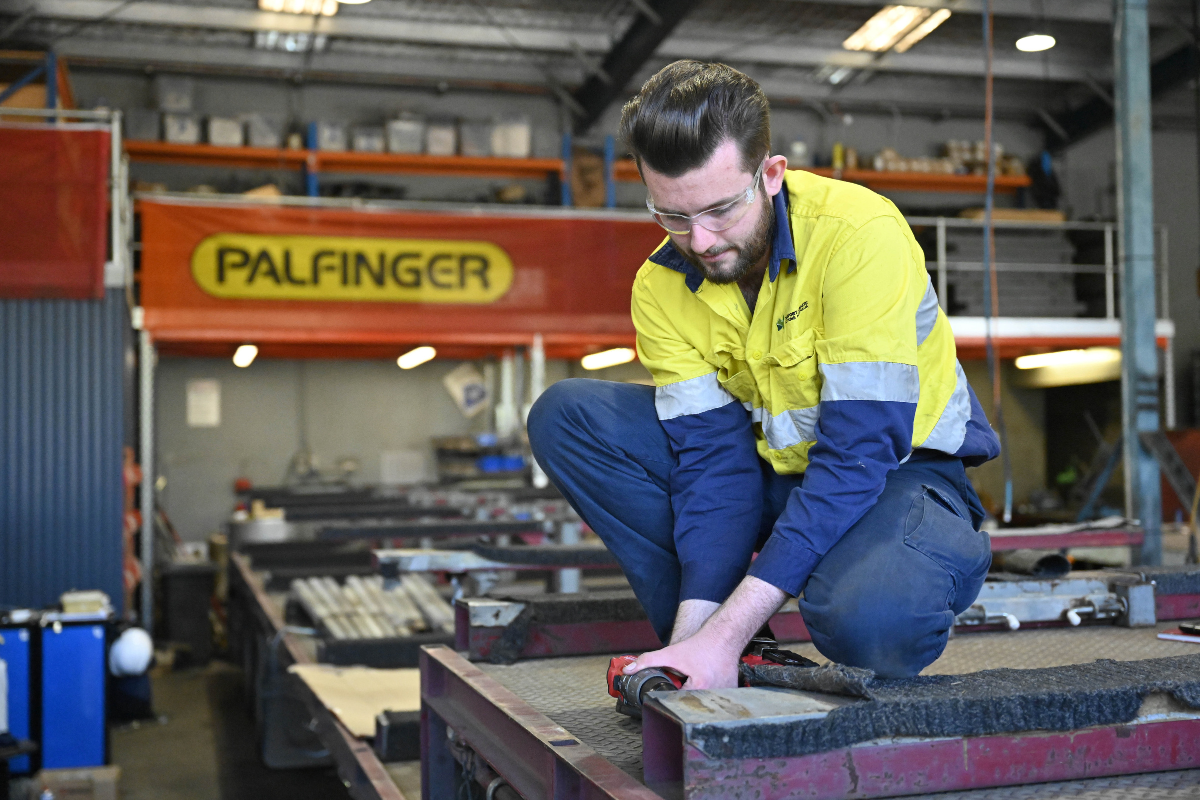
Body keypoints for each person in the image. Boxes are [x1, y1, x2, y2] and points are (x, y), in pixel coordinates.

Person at [528, 60, 999, 688]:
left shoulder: (860, 236)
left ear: (769, 175)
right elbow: (713, 467)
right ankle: (727, 653)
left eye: (720, 209)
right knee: (568, 418)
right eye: (671, 216)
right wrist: (695, 646)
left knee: (877, 628)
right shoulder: (659, 285)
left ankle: (773, 618)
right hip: (767, 474)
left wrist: (728, 628)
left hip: (894, 474)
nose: (698, 240)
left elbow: (858, 451)